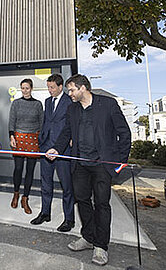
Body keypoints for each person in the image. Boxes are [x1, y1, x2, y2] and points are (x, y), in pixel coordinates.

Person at [46, 74, 131, 266]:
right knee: (82, 201)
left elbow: (124, 133)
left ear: (83, 88)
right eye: (69, 90)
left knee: (102, 204)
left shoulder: (108, 105)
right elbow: (66, 132)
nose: (70, 93)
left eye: (72, 90)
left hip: (102, 165)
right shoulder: (72, 109)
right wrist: (56, 149)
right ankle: (88, 237)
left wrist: (120, 163)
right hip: (80, 164)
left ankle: (101, 246)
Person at [31, 73, 75, 232]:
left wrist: (69, 141)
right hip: (46, 147)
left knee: (66, 185)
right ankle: (45, 213)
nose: (49, 90)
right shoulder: (47, 101)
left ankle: (69, 219)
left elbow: (71, 125)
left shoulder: (70, 101)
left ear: (60, 86)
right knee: (45, 182)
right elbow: (46, 122)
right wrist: (41, 141)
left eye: (52, 87)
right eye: (48, 87)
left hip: (62, 149)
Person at [8, 78, 43, 214]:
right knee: (18, 168)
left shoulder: (38, 104)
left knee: (30, 170)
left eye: (27, 88)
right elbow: (12, 121)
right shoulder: (16, 103)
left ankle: (25, 198)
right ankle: (16, 193)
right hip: (18, 138)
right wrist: (12, 136)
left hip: (33, 139)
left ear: (31, 89)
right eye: (22, 88)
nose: (25, 90)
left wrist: (40, 139)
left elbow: (42, 123)